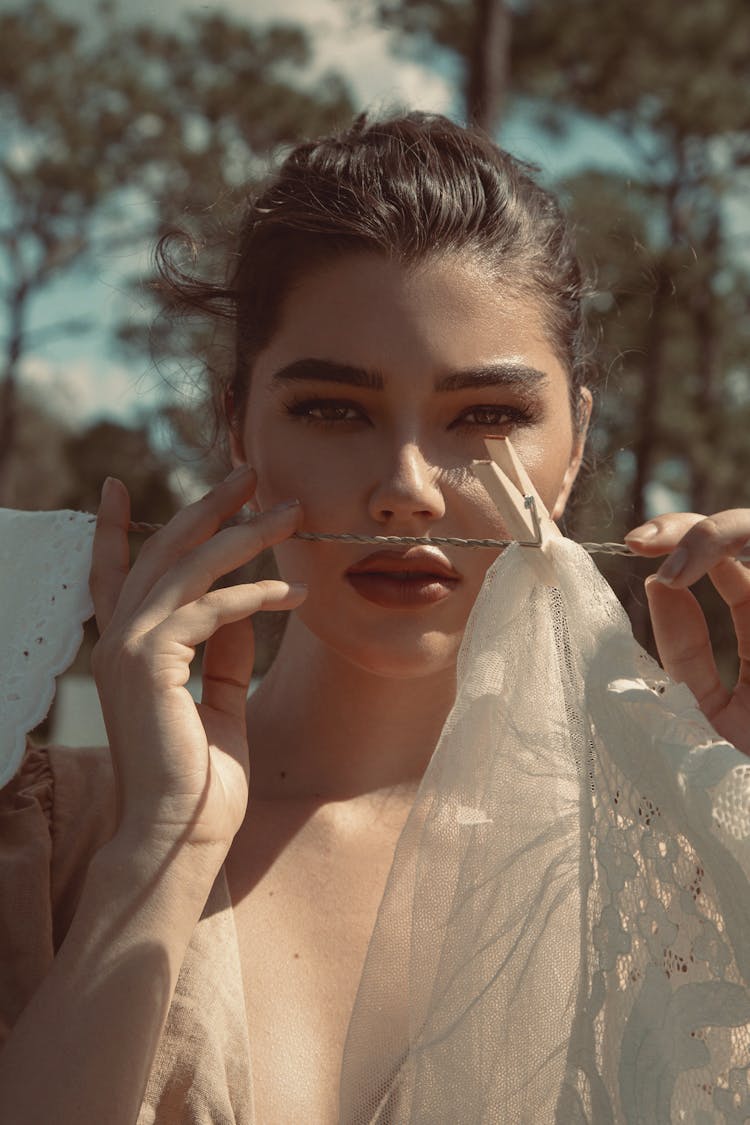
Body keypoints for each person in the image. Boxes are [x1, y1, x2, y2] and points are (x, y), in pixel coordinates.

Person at [0, 111, 748, 1125]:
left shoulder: (670, 873)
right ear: (236, 427)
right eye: (333, 410)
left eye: (484, 416)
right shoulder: (45, 846)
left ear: (576, 444)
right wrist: (162, 846)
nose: (406, 491)